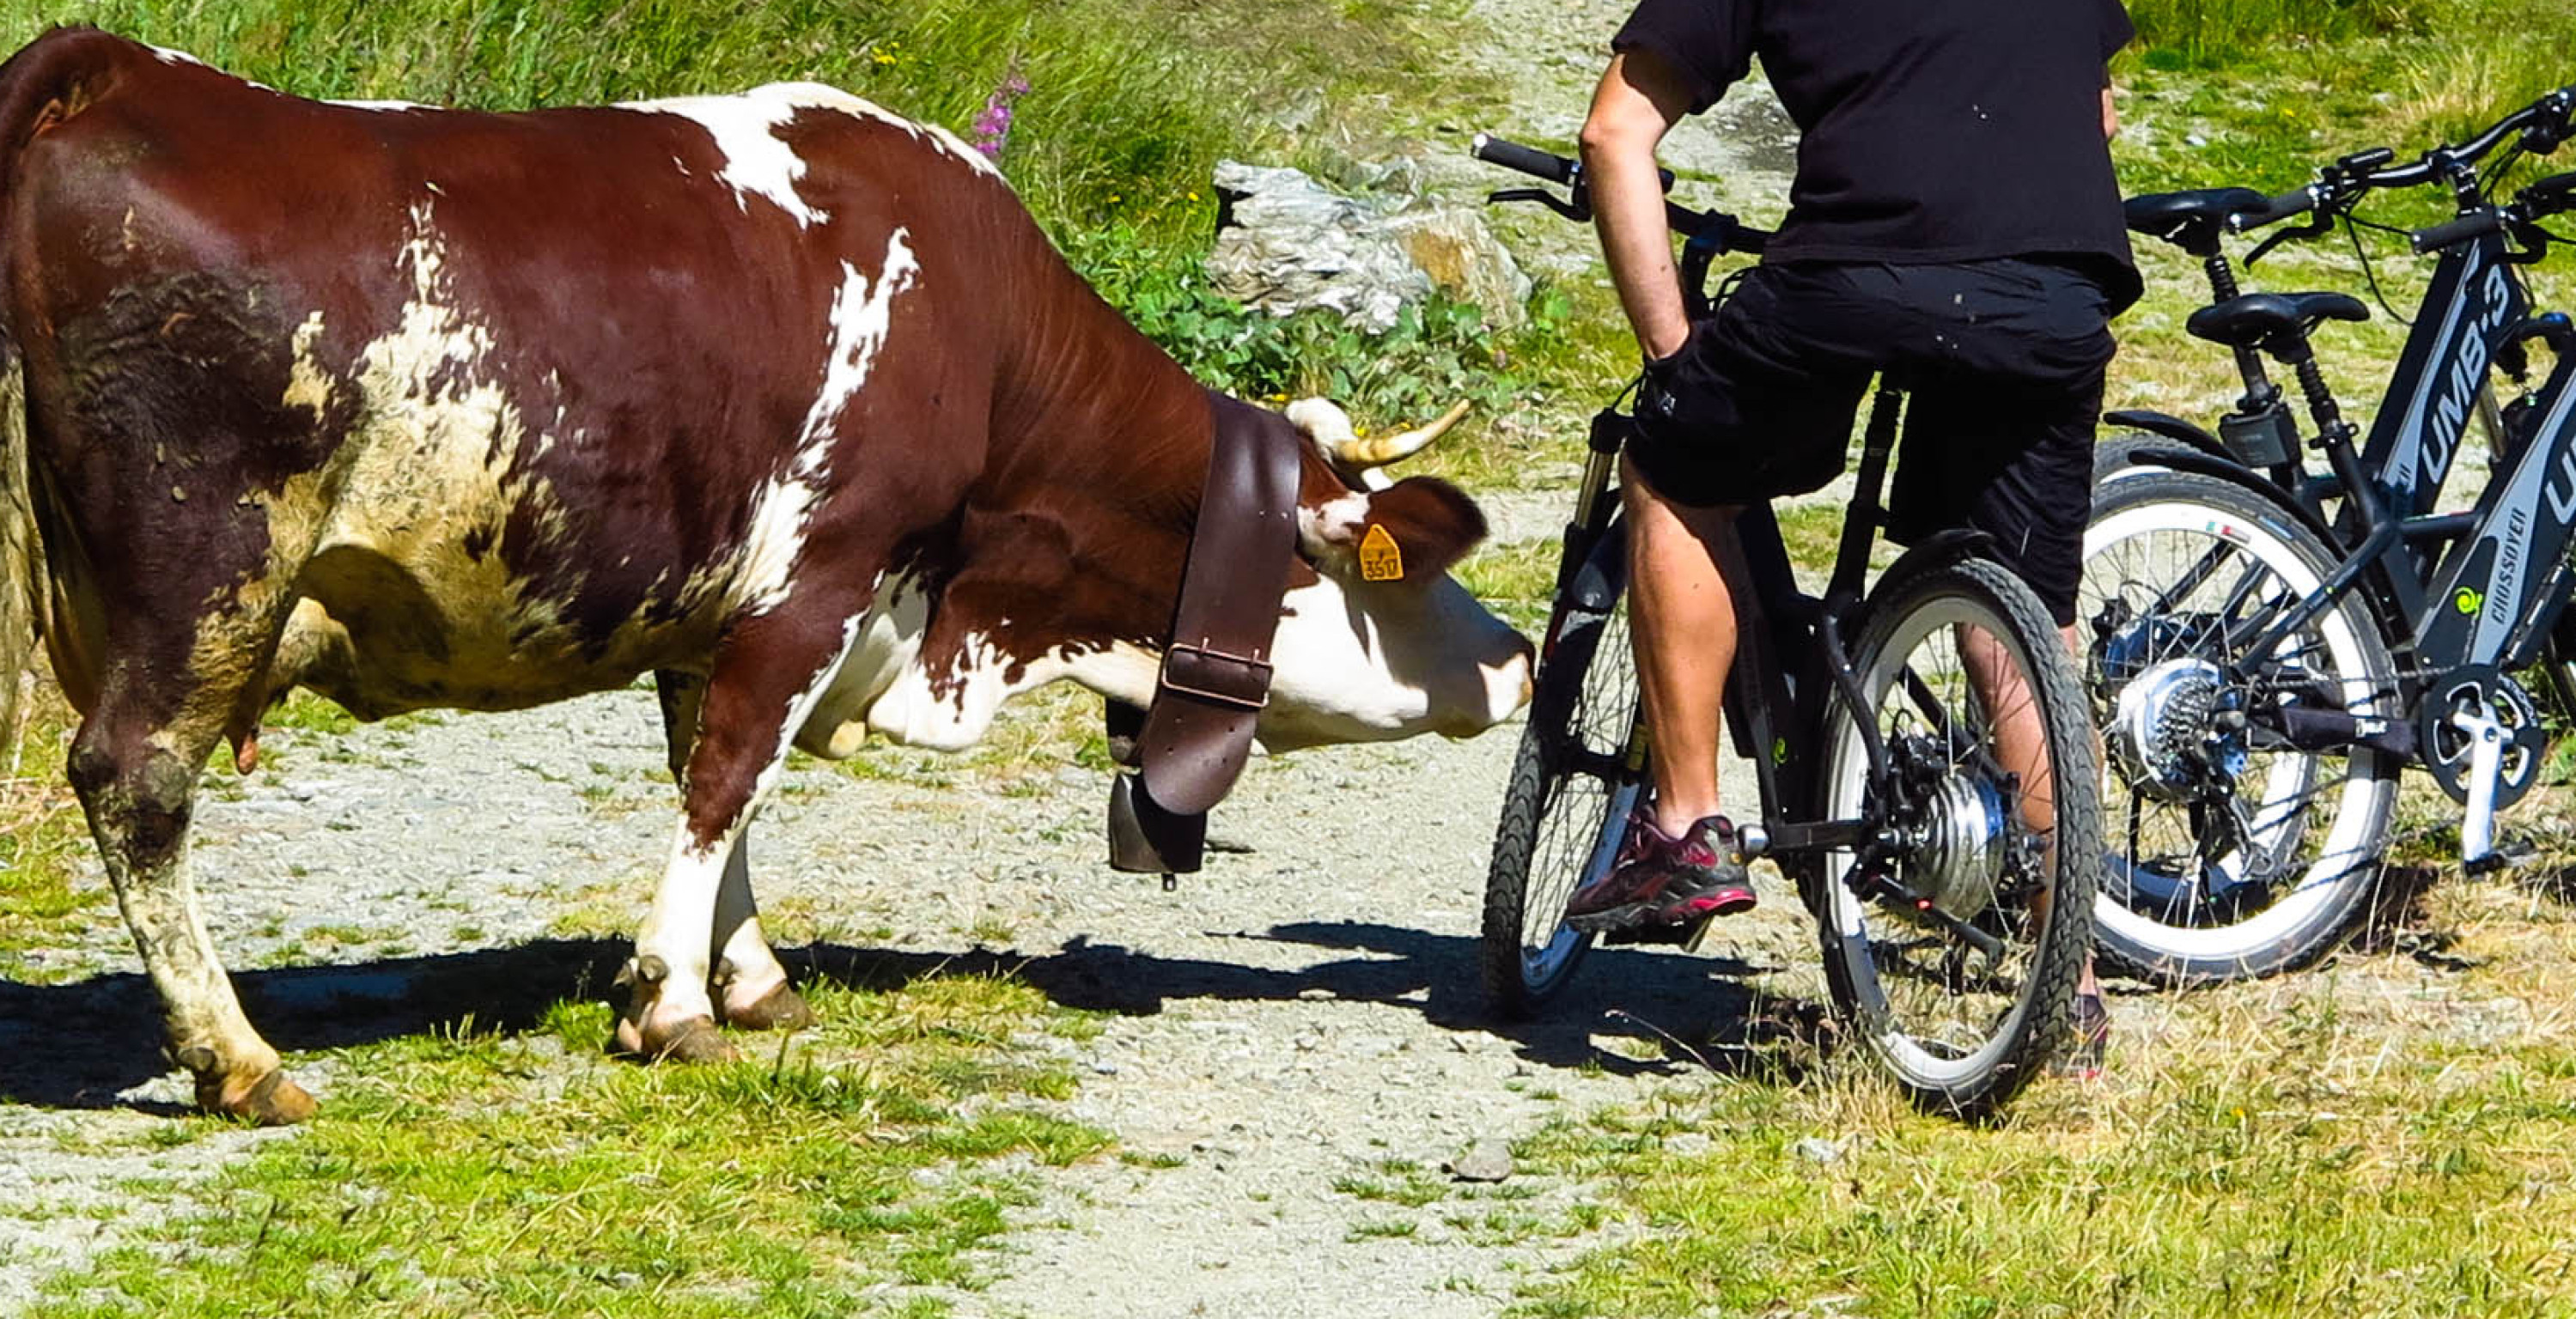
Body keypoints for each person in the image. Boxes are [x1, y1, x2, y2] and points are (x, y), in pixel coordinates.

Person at [1560, 0, 2136, 1013]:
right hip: (2054, 292)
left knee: (1677, 467)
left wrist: (1672, 356)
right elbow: (2094, 115)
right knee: (2023, 614)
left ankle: (1687, 822)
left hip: (1859, 276)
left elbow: (1615, 132)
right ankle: (2068, 982)